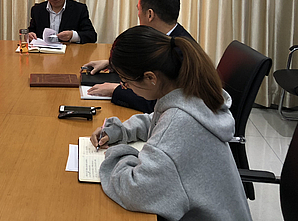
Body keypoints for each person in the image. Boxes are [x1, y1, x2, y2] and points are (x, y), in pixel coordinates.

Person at [90, 26, 252, 221]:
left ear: (150, 78)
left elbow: (135, 191)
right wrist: (120, 130)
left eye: (126, 83)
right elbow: (156, 121)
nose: (126, 88)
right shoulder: (188, 93)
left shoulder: (179, 123)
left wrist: (116, 153)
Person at [84, 0, 194, 112]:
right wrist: (113, 64)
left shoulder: (178, 52)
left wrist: (116, 90)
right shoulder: (166, 37)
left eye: (139, 10)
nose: (138, 14)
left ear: (150, 15)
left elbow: (157, 103)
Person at [27, 0, 97, 44]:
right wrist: (30, 35)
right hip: (43, 50)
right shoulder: (37, 10)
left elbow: (92, 35)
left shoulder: (79, 9)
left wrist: (72, 35)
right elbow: (31, 31)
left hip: (69, 50)